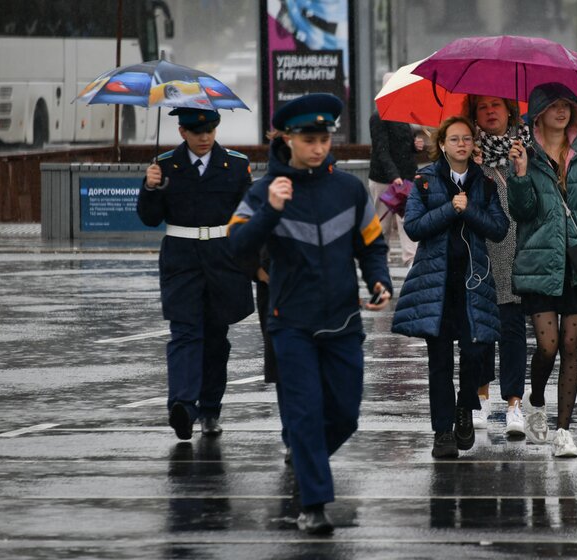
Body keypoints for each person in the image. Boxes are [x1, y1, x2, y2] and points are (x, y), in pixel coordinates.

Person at [227, 93, 393, 535]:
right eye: (309, 139)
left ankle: (307, 458)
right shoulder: (264, 191)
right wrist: (270, 211)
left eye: (324, 139)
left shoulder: (349, 189)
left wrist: (380, 281)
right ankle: (314, 504)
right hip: (290, 324)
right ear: (286, 139)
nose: (318, 147)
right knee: (303, 412)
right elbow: (237, 245)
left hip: (342, 322)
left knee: (344, 415)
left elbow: (372, 245)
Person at [507, 83, 577, 458]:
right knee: (548, 347)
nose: (561, 111)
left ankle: (564, 431)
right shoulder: (526, 154)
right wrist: (520, 175)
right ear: (538, 112)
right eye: (553, 105)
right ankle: (536, 400)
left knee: (571, 345)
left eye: (567, 105)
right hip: (540, 260)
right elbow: (521, 213)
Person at [392, 115, 508, 459]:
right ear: (441, 144)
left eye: (467, 139)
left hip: (473, 282)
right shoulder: (425, 181)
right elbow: (413, 227)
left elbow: (498, 228)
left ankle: (463, 408)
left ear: (473, 145)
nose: (461, 144)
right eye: (454, 139)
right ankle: (442, 431)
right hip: (437, 283)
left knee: (475, 353)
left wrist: (469, 209)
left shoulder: (484, 183)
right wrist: (449, 208)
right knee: (439, 360)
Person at [137, 107, 254, 441]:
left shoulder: (235, 165)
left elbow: (249, 214)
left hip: (223, 259)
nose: (204, 138)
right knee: (185, 333)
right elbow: (148, 218)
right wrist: (150, 187)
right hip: (181, 259)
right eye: (196, 131)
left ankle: (210, 409)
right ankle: (183, 407)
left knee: (216, 339)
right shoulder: (165, 166)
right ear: (182, 132)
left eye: (210, 130)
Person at [468, 95, 531, 436]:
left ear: (509, 110)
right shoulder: (466, 152)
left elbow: (534, 203)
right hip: (479, 253)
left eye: (496, 105)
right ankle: (480, 396)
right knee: (479, 330)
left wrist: (521, 170)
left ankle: (514, 404)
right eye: (482, 107)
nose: (490, 111)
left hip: (515, 252)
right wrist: (472, 168)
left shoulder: (526, 151)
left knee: (512, 330)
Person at [369, 72, 424, 266]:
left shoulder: (403, 115)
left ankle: (411, 260)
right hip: (384, 179)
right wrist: (393, 176)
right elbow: (381, 150)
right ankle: (379, 262)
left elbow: (402, 147)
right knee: (382, 224)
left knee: (407, 220)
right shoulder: (379, 117)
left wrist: (414, 146)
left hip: (405, 178)